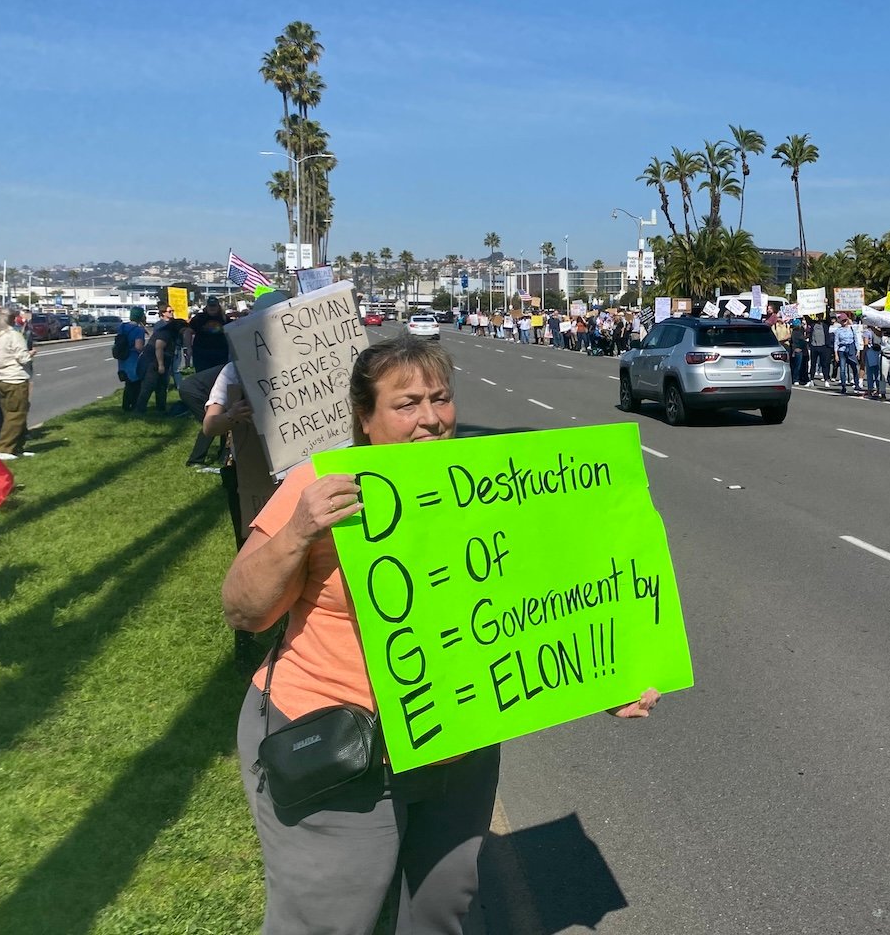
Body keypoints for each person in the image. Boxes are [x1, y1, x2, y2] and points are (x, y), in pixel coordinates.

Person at [224, 335, 661, 933]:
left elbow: (538, 605)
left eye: (441, 398)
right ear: (365, 416)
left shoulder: (485, 486)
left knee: (442, 908)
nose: (430, 418)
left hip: (458, 745)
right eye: (406, 404)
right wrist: (298, 531)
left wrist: (606, 678)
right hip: (344, 745)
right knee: (329, 918)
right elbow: (244, 611)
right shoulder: (324, 487)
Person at [0, 309, 34, 459]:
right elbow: (22, 357)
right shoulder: (13, 335)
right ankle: (3, 448)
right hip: (15, 378)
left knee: (8, 413)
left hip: (0, 377)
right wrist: (30, 354)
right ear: (11, 320)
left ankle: (16, 447)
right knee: (17, 414)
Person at [116, 309, 147, 412]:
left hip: (123, 357)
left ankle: (125, 406)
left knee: (127, 384)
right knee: (135, 384)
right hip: (133, 359)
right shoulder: (139, 330)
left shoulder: (122, 326)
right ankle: (133, 405)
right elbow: (138, 346)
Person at [190, 298, 231, 373]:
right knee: (202, 376)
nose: (212, 308)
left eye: (214, 306)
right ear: (207, 307)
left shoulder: (225, 318)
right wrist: (189, 348)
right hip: (201, 353)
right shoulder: (199, 318)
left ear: (218, 307)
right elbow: (188, 331)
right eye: (210, 306)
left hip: (221, 353)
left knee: (219, 376)